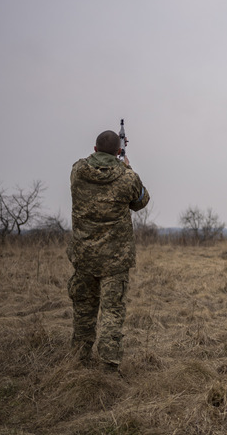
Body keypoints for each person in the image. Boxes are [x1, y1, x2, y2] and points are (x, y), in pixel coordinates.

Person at [67, 129, 150, 372]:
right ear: (118, 152)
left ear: (94, 149)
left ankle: (79, 360)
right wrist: (128, 168)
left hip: (83, 256)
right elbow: (141, 201)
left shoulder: (77, 172)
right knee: (112, 313)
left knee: (83, 310)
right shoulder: (126, 177)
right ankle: (109, 367)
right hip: (115, 259)